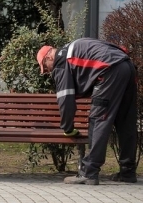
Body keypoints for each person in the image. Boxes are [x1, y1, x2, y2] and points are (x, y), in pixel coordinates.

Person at [37, 38, 138, 185]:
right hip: (127, 66)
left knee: (98, 120)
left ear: (49, 57)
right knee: (126, 121)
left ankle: (89, 172)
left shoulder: (61, 62)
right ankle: (128, 172)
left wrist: (68, 128)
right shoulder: (72, 48)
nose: (48, 72)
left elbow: (66, 101)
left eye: (45, 67)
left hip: (109, 70)